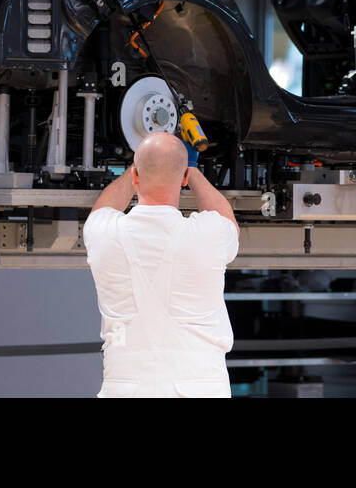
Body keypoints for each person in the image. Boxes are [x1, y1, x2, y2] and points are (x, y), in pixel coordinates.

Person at [83, 131, 239, 398]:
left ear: (134, 176)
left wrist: (139, 168)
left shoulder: (104, 232)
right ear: (183, 180)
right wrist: (193, 173)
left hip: (125, 388)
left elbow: (102, 209)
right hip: (200, 388)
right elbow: (229, 223)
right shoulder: (208, 233)